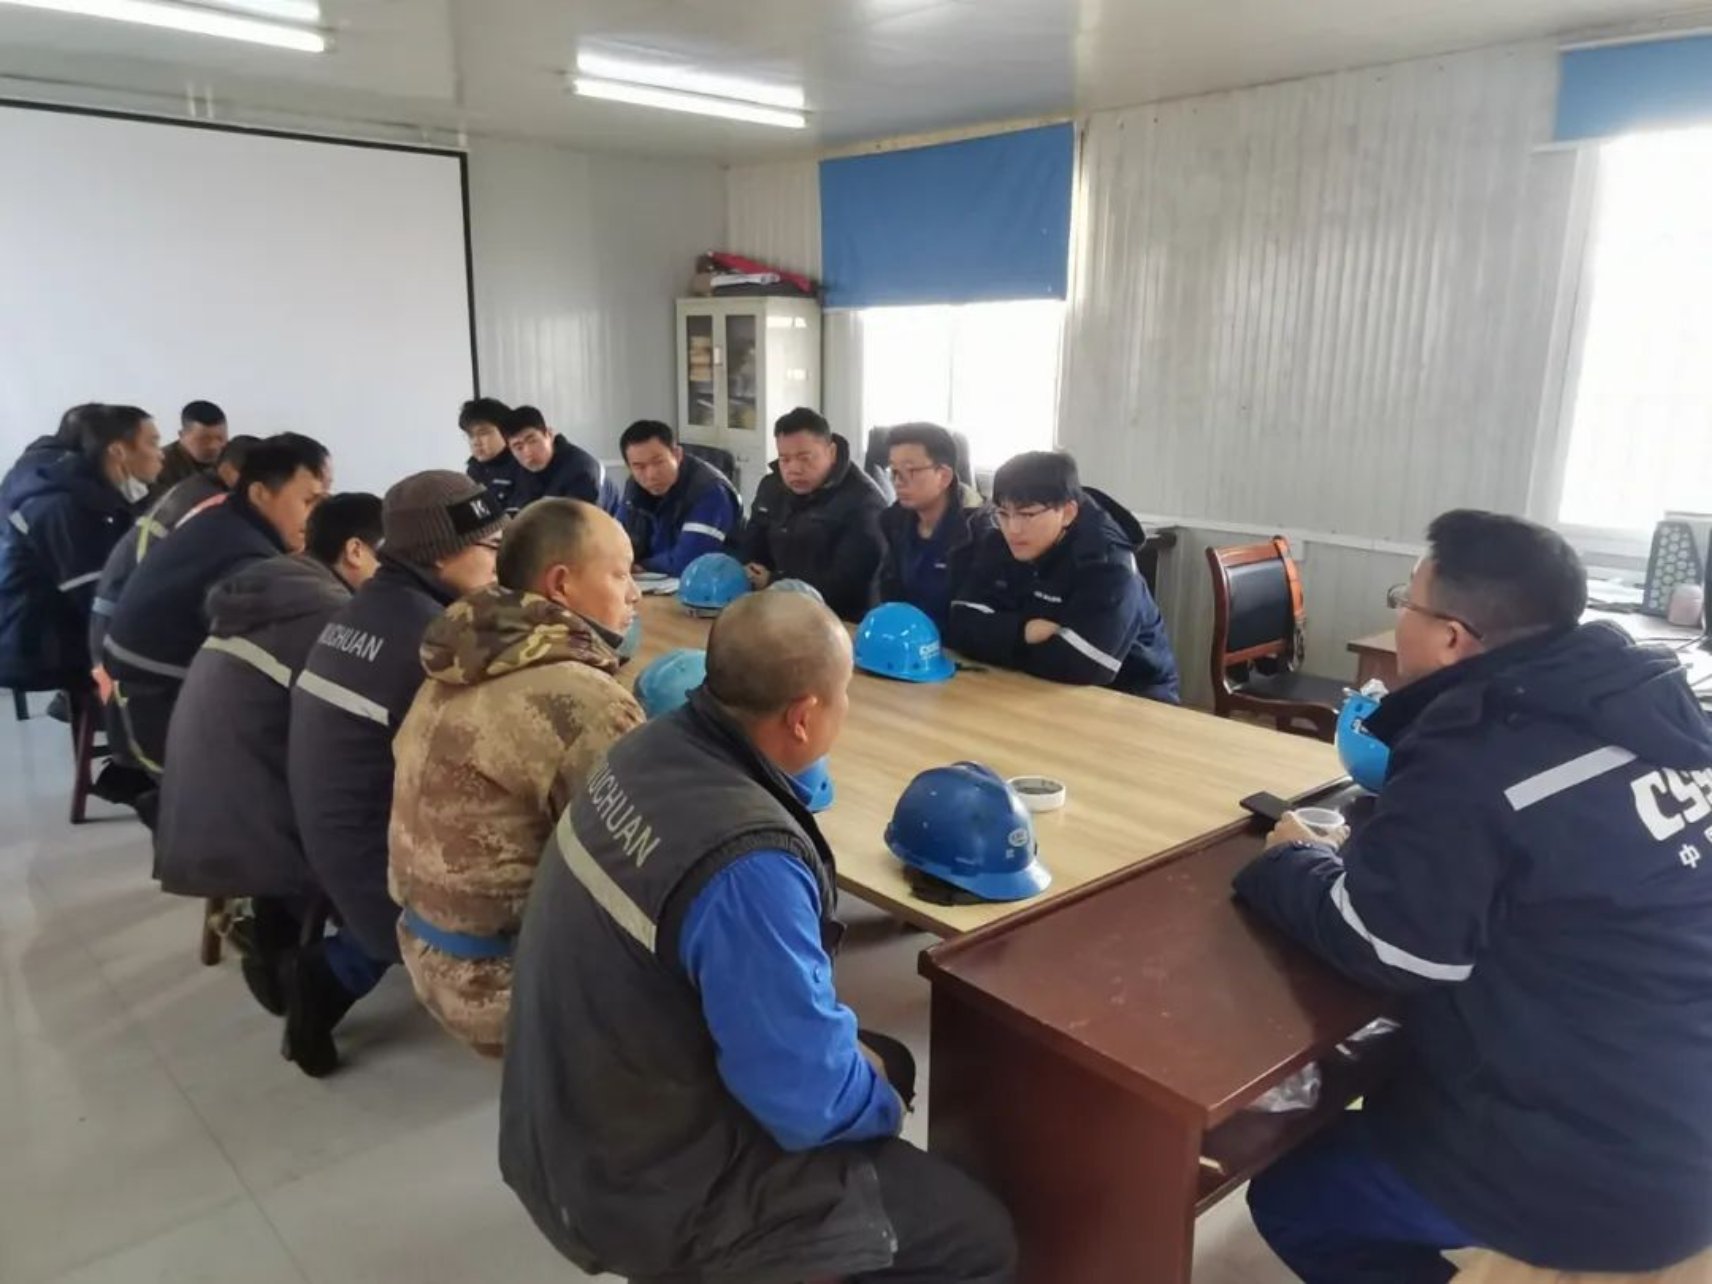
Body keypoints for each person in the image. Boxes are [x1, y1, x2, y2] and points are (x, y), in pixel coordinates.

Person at [1234, 509, 1712, 1284]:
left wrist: (1289, 863)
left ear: (1452, 637)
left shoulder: (1479, 749)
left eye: (1406, 601)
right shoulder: (1646, 705)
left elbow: (1388, 948)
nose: (1399, 615)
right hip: (1677, 1106)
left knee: (1297, 1197)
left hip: (1600, 1170)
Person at [500, 590, 1017, 1284]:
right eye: (845, 694)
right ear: (803, 718)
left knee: (882, 1060)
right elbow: (806, 1103)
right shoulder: (746, 864)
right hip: (645, 1181)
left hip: (562, 1118)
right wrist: (880, 1099)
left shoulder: (649, 749)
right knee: (978, 1239)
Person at [389, 499, 644, 1056]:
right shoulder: (584, 700)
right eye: (621, 574)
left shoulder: (464, 656)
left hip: (423, 942)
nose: (635, 594)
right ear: (561, 584)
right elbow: (647, 862)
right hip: (503, 981)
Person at [287, 471, 506, 1077]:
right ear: (440, 554)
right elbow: (489, 747)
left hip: (323, 819)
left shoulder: (376, 605)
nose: (499, 560)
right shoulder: (432, 636)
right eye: (490, 546)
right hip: (368, 850)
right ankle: (326, 974)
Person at [154, 493, 383, 1015]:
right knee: (417, 852)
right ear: (355, 551)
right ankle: (324, 970)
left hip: (198, 802)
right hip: (251, 821)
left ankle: (280, 929)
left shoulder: (280, 585)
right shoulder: (329, 613)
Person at [102, 433, 330, 778]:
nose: (317, 517)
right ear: (260, 493)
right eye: (309, 501)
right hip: (161, 711)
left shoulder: (225, 517)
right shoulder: (243, 557)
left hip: (144, 693)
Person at [946, 451, 1179, 701]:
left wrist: (995, 635)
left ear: (1067, 512)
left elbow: (1085, 665)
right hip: (1036, 688)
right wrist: (1023, 631)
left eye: (1027, 514)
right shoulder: (1000, 540)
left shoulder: (1108, 560)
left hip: (1133, 696)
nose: (1012, 528)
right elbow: (960, 624)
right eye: (1003, 513)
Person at [0, 405, 163, 696]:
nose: (161, 454)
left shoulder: (92, 494)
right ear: (118, 451)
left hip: (56, 628)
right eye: (152, 443)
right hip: (39, 646)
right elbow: (97, 599)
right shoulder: (64, 507)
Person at [90, 434, 261, 669]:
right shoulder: (211, 503)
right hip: (127, 623)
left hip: (121, 612)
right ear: (230, 471)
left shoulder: (194, 487)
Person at [739, 407, 887, 622]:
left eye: (805, 458)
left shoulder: (864, 503)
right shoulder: (772, 487)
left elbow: (850, 587)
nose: (794, 469)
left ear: (831, 452)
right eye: (784, 459)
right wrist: (751, 571)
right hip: (774, 607)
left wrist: (774, 582)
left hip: (838, 622)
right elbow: (751, 544)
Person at [877, 423, 992, 629]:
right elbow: (889, 593)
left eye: (910, 471)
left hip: (956, 643)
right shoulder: (893, 521)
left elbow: (974, 618)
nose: (898, 481)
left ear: (944, 476)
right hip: (905, 637)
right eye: (893, 471)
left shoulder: (979, 532)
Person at [617, 419, 742, 575]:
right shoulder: (635, 486)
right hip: (655, 580)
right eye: (639, 467)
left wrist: (641, 565)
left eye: (658, 462)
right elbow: (616, 540)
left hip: (710, 582)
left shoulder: (710, 491)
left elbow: (688, 561)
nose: (651, 475)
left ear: (677, 455)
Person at [501, 405, 614, 512]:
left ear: (549, 434)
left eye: (532, 441)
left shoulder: (581, 470)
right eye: (518, 447)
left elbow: (582, 521)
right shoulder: (516, 471)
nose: (527, 452)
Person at [152, 400, 229, 498]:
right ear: (182, 435)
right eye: (204, 439)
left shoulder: (234, 456)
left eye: (220, 438)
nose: (213, 446)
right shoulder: (158, 465)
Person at [460, 396, 523, 511]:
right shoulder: (474, 469)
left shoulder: (524, 465)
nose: (476, 442)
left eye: (483, 433)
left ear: (506, 432)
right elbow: (478, 515)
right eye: (470, 435)